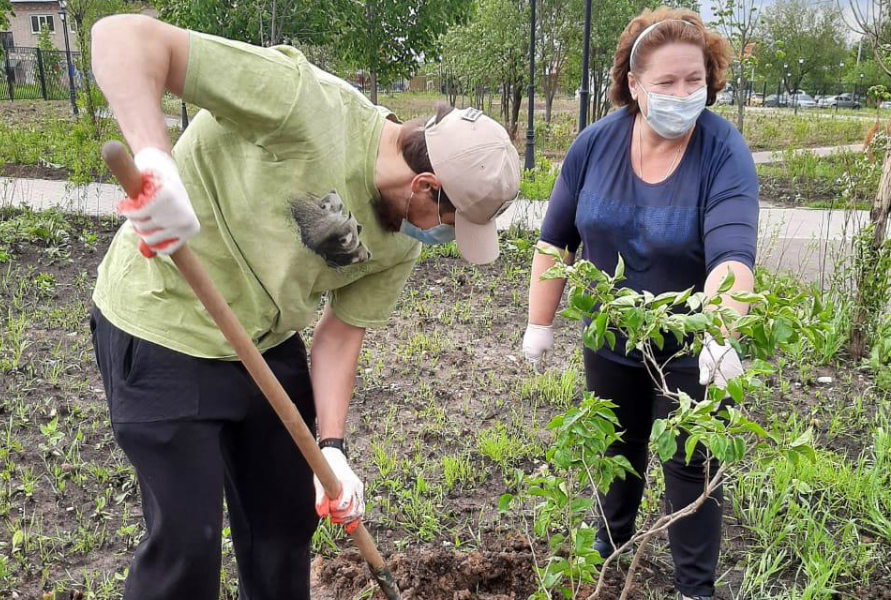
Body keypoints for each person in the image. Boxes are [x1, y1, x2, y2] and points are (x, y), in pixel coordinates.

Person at [88, 14, 519, 600]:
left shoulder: (401, 236)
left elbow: (342, 331)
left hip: (264, 340)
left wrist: (333, 446)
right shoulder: (302, 103)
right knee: (186, 547)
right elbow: (122, 37)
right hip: (165, 319)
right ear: (423, 186)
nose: (446, 238)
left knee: (285, 525)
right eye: (451, 222)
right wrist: (156, 163)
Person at [521, 8, 757, 600]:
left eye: (694, 80)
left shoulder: (722, 152)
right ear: (633, 83)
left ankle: (693, 589)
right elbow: (555, 239)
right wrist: (538, 324)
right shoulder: (595, 145)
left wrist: (720, 335)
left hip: (693, 350)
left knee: (690, 467)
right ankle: (607, 561)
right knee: (614, 456)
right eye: (668, 83)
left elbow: (732, 257)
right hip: (612, 341)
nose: (684, 94)